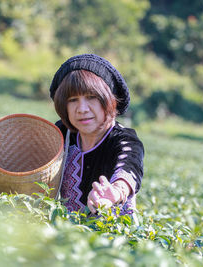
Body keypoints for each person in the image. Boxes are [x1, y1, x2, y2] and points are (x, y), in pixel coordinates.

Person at [49, 54, 144, 215]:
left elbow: (129, 166)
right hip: (64, 230)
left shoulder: (123, 140)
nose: (82, 109)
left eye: (91, 97)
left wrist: (115, 191)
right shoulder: (61, 133)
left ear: (109, 100)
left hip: (109, 235)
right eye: (73, 100)